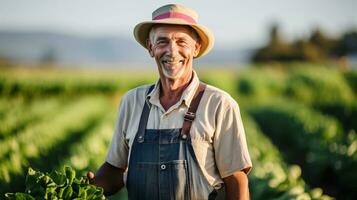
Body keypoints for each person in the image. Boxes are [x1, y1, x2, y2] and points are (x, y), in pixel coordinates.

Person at [87, 4, 252, 200]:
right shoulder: (132, 102)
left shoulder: (219, 104)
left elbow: (236, 179)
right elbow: (115, 169)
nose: (172, 51)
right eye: (162, 41)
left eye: (181, 41)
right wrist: (85, 188)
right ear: (150, 47)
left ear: (196, 48)